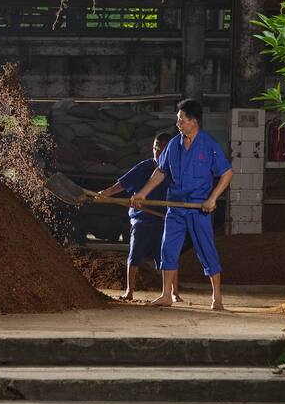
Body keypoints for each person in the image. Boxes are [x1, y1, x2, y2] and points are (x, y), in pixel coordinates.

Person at [130, 99, 233, 310]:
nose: (178, 124)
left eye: (181, 120)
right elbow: (161, 171)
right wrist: (142, 193)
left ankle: (217, 297)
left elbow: (227, 173)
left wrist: (213, 198)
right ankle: (166, 295)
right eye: (178, 120)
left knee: (206, 250)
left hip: (199, 208)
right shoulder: (173, 145)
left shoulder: (208, 145)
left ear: (193, 121)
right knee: (168, 248)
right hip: (175, 206)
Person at [96, 132, 179, 302]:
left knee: (168, 255)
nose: (157, 152)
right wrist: (107, 193)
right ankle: (129, 290)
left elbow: (181, 194)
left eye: (162, 149)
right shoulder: (144, 168)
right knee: (135, 253)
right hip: (142, 218)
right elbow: (123, 184)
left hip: (164, 218)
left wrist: (173, 212)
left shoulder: (175, 170)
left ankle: (174, 292)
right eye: (156, 148)